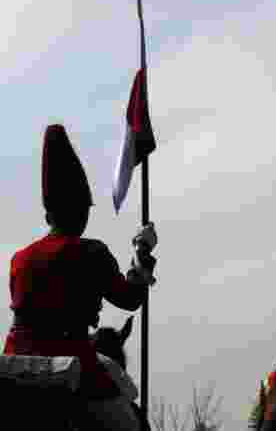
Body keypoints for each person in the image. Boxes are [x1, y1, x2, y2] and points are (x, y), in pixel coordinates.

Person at [4, 124, 156, 431]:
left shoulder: (19, 259)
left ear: (49, 216)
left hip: (15, 365)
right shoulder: (91, 252)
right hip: (72, 365)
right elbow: (129, 298)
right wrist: (142, 253)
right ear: (84, 212)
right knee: (129, 425)